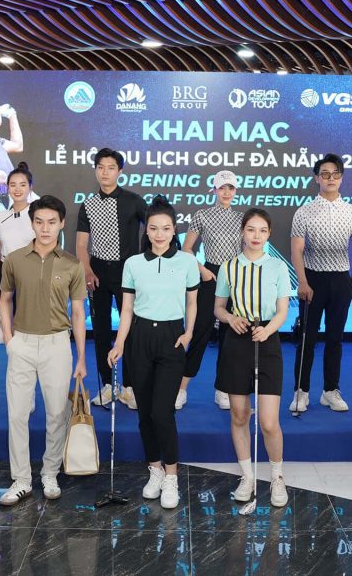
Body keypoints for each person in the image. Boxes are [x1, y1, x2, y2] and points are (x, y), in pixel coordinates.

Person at [107, 196, 199, 510]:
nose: (160, 234)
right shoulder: (133, 264)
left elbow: (192, 302)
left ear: (174, 231)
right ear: (146, 230)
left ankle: (171, 477)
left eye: (166, 228)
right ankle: (155, 470)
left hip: (172, 338)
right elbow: (127, 309)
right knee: (144, 413)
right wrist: (120, 343)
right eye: (154, 228)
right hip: (139, 338)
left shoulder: (186, 262)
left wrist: (188, 333)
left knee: (163, 412)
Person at [0, 196, 87, 504]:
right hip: (21, 343)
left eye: (51, 222)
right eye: (39, 222)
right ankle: (21, 479)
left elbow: (78, 313)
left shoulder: (72, 264)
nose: (45, 228)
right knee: (17, 414)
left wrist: (81, 357)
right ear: (32, 223)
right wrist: (9, 339)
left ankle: (50, 472)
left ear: (62, 224)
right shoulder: (15, 259)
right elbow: (5, 299)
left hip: (57, 344)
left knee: (56, 413)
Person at [213, 208, 291, 507]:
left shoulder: (278, 267)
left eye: (262, 230)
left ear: (268, 234)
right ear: (242, 232)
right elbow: (218, 308)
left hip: (267, 340)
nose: (256, 236)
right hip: (237, 341)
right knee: (239, 415)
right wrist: (230, 318)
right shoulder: (228, 267)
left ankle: (277, 477)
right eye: (251, 229)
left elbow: (282, 311)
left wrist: (268, 329)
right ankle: (247, 476)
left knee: (269, 422)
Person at [289, 153, 352, 413]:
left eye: (335, 174)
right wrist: (302, 281)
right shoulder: (304, 212)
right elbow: (297, 250)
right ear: (316, 178)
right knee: (307, 339)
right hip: (312, 280)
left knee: (335, 339)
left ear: (341, 178)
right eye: (325, 174)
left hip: (342, 280)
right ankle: (301, 391)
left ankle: (330, 391)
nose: (330, 178)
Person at [76, 148, 147, 409]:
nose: (105, 172)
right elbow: (81, 244)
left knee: (130, 332)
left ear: (120, 171)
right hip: (98, 273)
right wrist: (87, 270)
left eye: (111, 168)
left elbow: (154, 229)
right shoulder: (88, 204)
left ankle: (130, 387)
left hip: (127, 273)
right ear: (95, 170)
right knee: (101, 330)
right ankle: (108, 385)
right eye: (100, 167)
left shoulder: (134, 201)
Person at [180, 170, 244, 410]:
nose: (226, 192)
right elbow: (187, 248)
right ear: (214, 190)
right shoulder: (202, 215)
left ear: (235, 191)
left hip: (235, 277)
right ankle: (181, 389)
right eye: (222, 188)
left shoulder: (242, 218)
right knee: (200, 332)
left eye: (231, 188)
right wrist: (202, 270)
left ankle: (223, 390)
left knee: (230, 337)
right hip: (210, 275)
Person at [0, 164, 35, 307]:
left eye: (22, 185)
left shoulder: (38, 215)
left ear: (30, 188)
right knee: (7, 317)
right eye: (13, 185)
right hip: (6, 274)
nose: (17, 189)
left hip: (32, 273)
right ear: (7, 188)